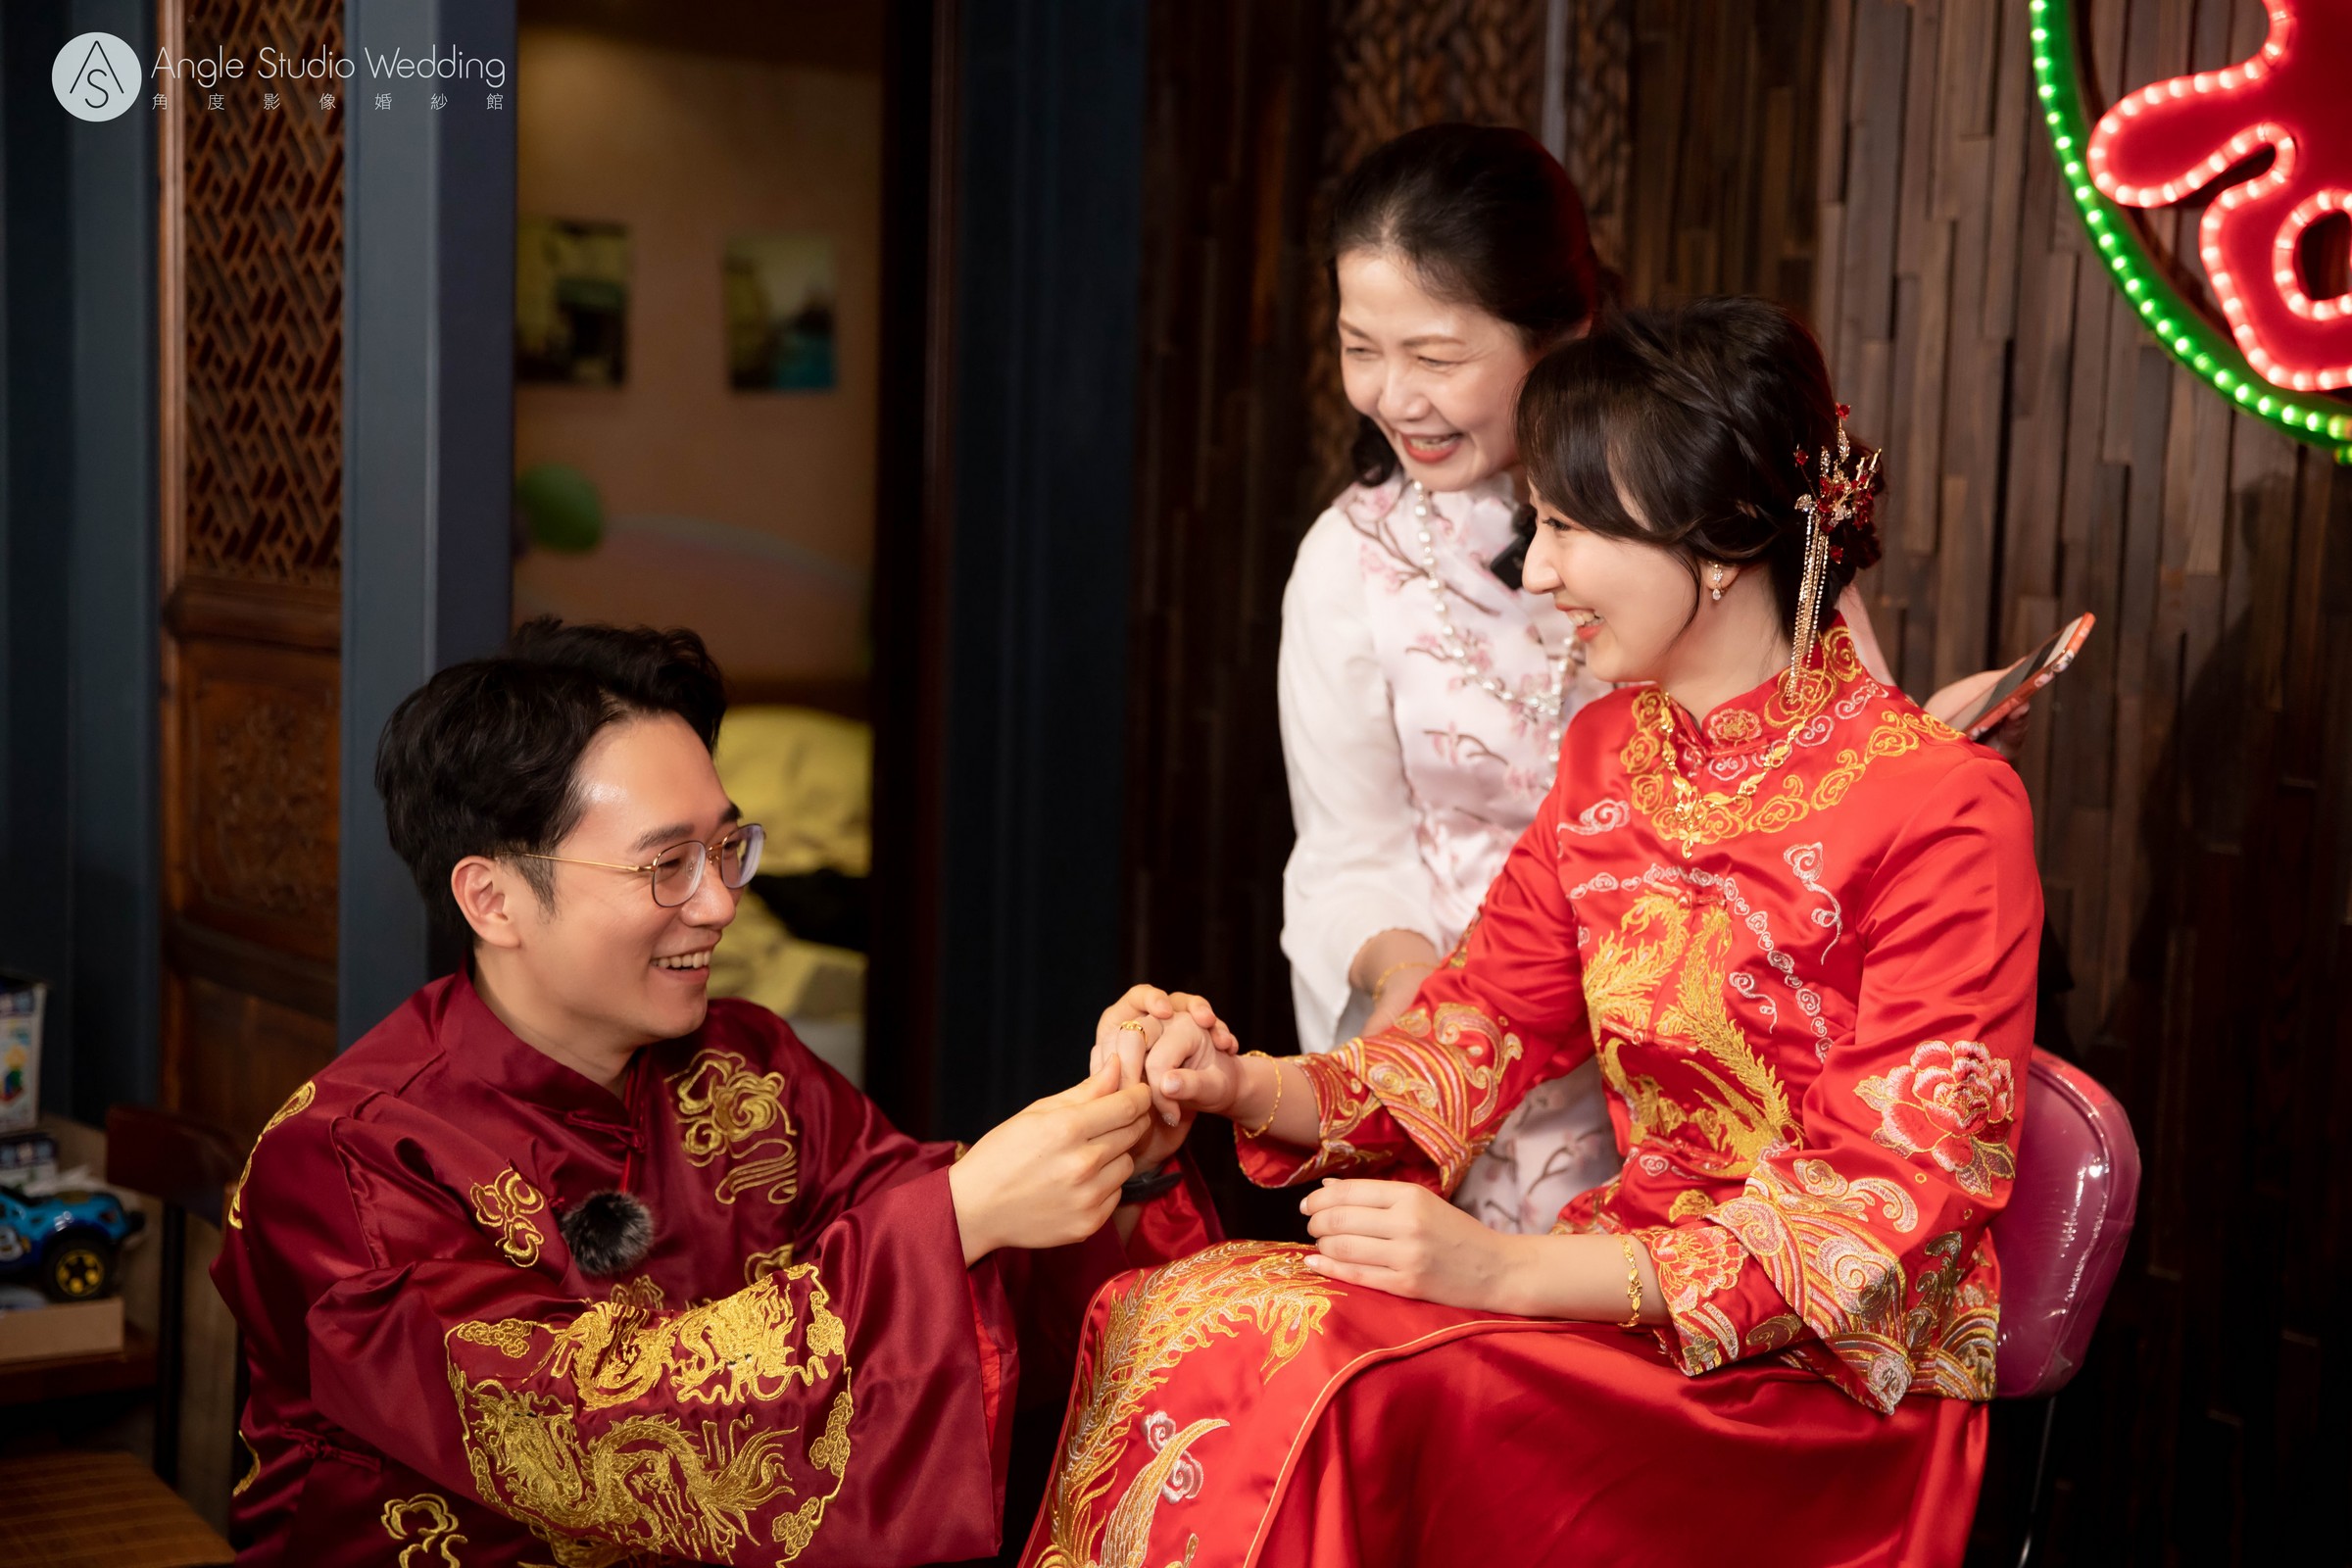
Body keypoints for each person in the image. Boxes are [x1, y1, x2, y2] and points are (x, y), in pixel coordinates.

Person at [1037, 299, 2039, 1568]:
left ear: (1721, 539)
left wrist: (1504, 1276)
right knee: (1181, 1312)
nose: (1538, 573)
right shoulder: (1612, 754)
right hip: (1619, 1316)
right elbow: (1474, 1027)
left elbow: (1882, 1208)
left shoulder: (1943, 804)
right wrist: (1240, 1082)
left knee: (1316, 1373)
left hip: (1816, 1393)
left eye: (1571, 527)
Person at [212, 620, 1216, 1568]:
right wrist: (958, 1214)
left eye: (727, 848)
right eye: (667, 865)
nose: (721, 901)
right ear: (494, 898)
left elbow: (944, 1258)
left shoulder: (747, 1064)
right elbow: (583, 1428)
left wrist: (1118, 1151)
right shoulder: (350, 1158)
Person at [1277, 124, 2015, 1233]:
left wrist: (1922, 764)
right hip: (1459, 1037)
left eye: (1435, 357)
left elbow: (1835, 803)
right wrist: (1316, 1045)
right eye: (1359, 348)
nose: (1392, 395)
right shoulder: (1369, 574)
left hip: (1741, 1150)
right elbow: (1355, 854)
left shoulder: (1754, 554)